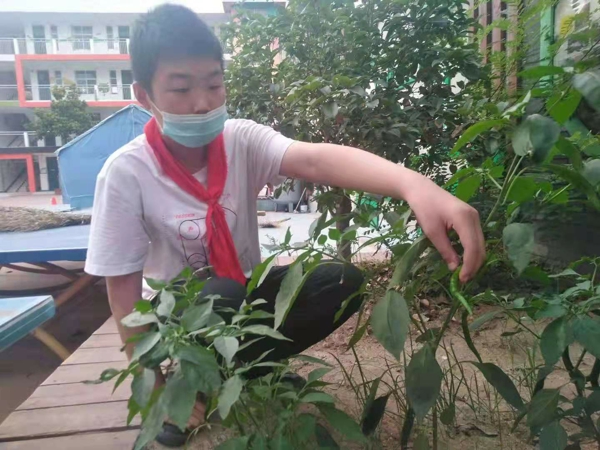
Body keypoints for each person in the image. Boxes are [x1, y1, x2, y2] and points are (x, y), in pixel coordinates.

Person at [84, 4, 485, 447]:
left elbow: (314, 159)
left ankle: (247, 368)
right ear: (144, 96)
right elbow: (122, 288)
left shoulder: (240, 140)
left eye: (214, 84)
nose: (202, 102)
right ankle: (189, 381)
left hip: (244, 295)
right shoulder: (126, 173)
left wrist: (414, 185)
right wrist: (154, 385)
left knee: (341, 282)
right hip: (179, 318)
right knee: (223, 291)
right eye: (180, 88)